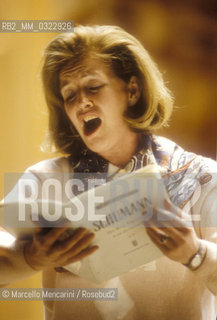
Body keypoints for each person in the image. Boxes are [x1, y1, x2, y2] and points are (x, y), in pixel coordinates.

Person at [0, 25, 217, 320]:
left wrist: (196, 254)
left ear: (132, 90)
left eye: (93, 86)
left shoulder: (201, 177)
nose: (81, 102)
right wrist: (31, 257)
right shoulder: (44, 181)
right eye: (69, 94)